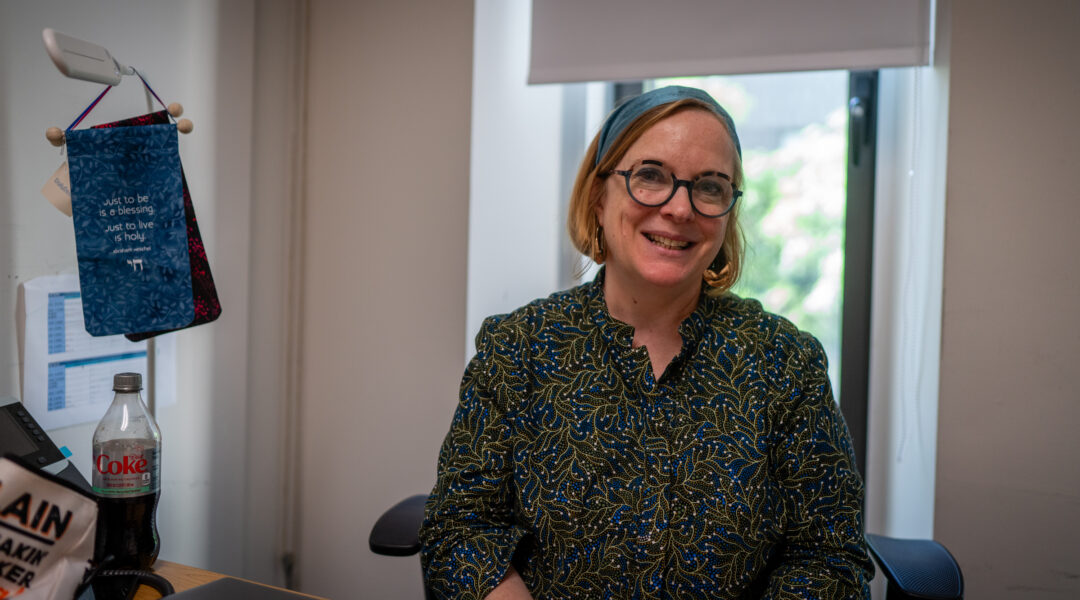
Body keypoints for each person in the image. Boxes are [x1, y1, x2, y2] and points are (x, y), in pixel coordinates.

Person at [419, 86, 873, 599]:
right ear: (598, 195)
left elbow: (830, 556)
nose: (680, 208)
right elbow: (460, 531)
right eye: (650, 176)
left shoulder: (784, 362)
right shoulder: (518, 350)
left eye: (710, 187)